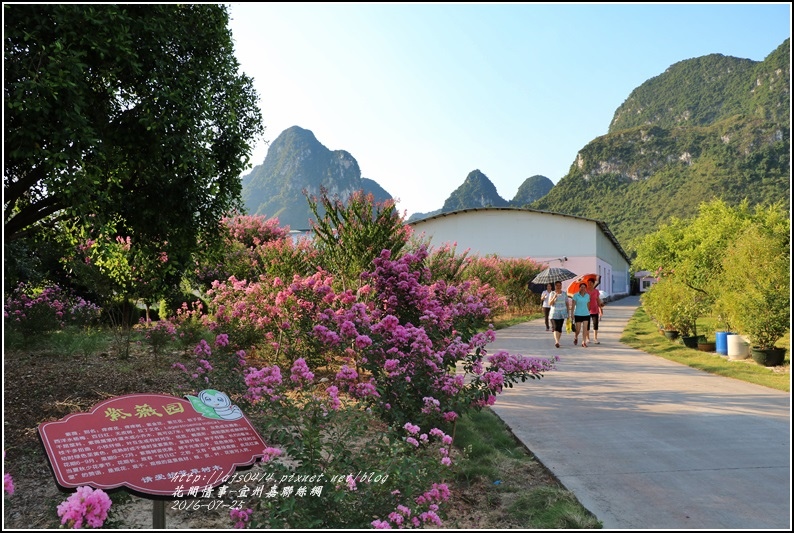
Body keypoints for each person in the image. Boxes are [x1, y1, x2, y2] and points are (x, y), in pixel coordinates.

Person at [548, 280, 570, 348]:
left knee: (559, 328)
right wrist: (554, 297)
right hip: (554, 313)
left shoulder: (564, 293)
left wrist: (568, 313)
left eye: (559, 285)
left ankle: (558, 340)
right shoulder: (552, 293)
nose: (558, 287)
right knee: (555, 327)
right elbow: (550, 303)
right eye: (557, 285)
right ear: (554, 286)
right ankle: (557, 341)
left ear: (561, 286)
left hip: (562, 313)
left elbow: (567, 303)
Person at [571, 282, 591, 347]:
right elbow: (573, 305)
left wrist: (587, 311)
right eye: (581, 287)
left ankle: (583, 342)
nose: (582, 288)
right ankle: (576, 337)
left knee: (585, 328)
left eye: (584, 287)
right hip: (578, 314)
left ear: (586, 288)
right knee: (578, 330)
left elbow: (588, 305)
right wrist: (572, 314)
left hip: (586, 314)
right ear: (579, 288)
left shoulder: (587, 295)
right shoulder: (575, 295)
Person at [586, 278, 604, 344]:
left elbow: (598, 300)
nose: (589, 284)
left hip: (595, 310)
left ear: (593, 284)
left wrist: (600, 308)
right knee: (587, 325)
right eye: (588, 283)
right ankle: (588, 338)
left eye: (591, 283)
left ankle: (595, 338)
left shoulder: (596, 291)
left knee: (595, 324)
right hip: (587, 310)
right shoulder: (585, 291)